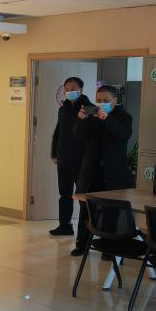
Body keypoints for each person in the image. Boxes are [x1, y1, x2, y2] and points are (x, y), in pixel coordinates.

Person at [71, 85, 133, 256]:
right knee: (86, 209)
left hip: (113, 173)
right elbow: (77, 136)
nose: (101, 103)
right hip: (92, 171)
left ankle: (108, 247)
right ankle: (82, 244)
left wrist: (107, 119)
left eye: (105, 100)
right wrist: (81, 120)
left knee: (111, 211)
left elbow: (122, 135)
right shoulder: (92, 116)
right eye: (98, 100)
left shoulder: (124, 117)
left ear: (114, 100)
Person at [50, 77, 90, 236]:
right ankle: (65, 225)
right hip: (63, 158)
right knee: (64, 194)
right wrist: (54, 153)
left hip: (81, 159)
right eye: (67, 89)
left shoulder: (89, 108)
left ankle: (84, 233)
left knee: (83, 197)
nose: (69, 92)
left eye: (73, 89)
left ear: (81, 90)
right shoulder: (63, 108)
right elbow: (58, 131)